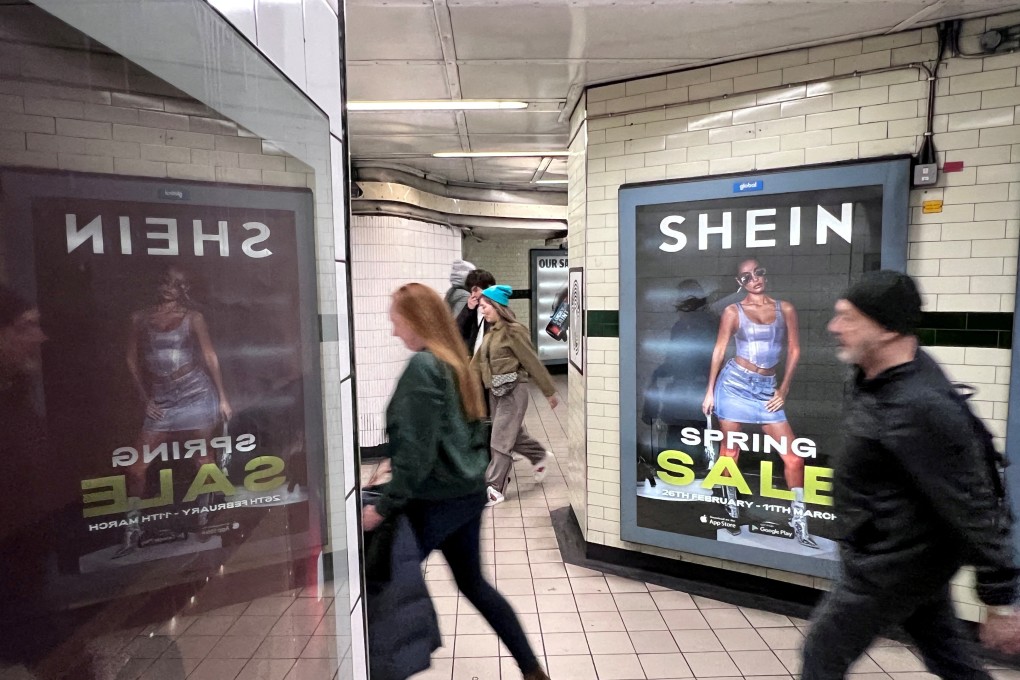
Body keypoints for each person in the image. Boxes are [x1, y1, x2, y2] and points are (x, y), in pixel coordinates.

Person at [800, 270, 1020, 679]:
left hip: (890, 568)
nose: (834, 327)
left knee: (821, 654)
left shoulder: (920, 406)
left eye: (848, 318)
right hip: (906, 555)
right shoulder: (875, 377)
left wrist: (999, 599)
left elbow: (975, 500)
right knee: (950, 658)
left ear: (886, 329)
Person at [362, 282, 551, 680]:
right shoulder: (453, 361)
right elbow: (456, 432)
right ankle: (532, 670)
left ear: (416, 320)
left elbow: (417, 455)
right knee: (473, 583)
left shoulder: (422, 366)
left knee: (384, 582)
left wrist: (383, 507)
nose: (394, 331)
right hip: (466, 494)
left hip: (434, 500)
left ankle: (386, 666)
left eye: (396, 322)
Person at [118, 265, 232, 556]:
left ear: (185, 288)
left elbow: (209, 355)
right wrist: (145, 399)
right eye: (166, 281)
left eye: (177, 283)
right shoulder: (140, 317)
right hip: (161, 399)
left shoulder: (193, 317)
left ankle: (204, 519)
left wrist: (222, 397)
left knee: (202, 459)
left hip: (196, 393)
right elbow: (131, 359)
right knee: (136, 467)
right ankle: (132, 529)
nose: (170, 287)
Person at [701, 259, 816, 547]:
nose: (755, 279)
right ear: (739, 282)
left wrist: (784, 389)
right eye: (747, 277)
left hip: (767, 388)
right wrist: (710, 391)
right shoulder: (733, 311)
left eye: (758, 273)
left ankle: (799, 523)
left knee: (794, 457)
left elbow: (795, 349)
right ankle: (731, 512)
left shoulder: (785, 308)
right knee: (730, 451)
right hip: (734, 384)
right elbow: (719, 350)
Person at [471, 284, 558, 506]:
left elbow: (531, 361)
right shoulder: (491, 334)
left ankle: (495, 488)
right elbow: (476, 364)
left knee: (500, 438)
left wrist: (549, 391)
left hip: (514, 392)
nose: (482, 310)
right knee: (513, 436)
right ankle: (538, 455)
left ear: (497, 306)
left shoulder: (514, 331)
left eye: (485, 306)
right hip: (496, 393)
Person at [642, 279, 718, 478]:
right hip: (691, 385)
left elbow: (688, 358)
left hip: (694, 385)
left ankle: (681, 467)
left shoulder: (698, 323)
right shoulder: (701, 322)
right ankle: (685, 467)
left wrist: (662, 373)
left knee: (685, 429)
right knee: (689, 429)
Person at [456, 268, 496, 357]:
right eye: (471, 291)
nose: (473, 295)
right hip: (473, 358)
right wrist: (468, 309)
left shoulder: (497, 311)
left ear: (487, 288)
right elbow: (457, 331)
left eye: (475, 290)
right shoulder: (473, 307)